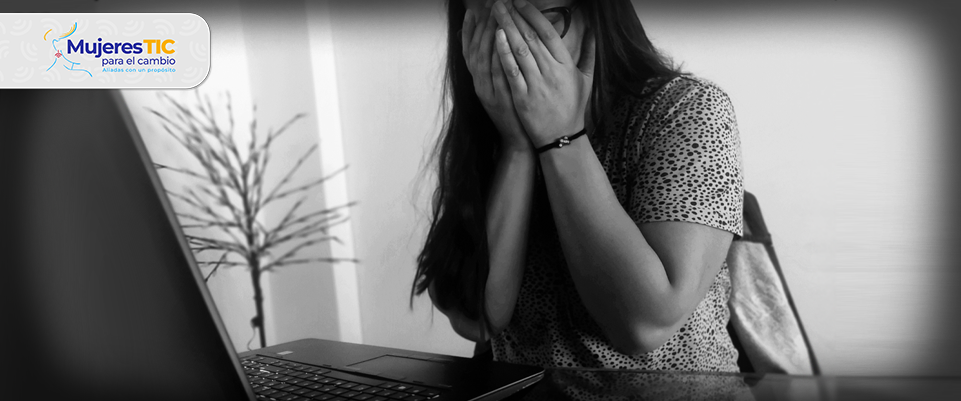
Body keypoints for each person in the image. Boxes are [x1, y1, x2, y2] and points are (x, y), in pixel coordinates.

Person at [412, 0, 744, 372]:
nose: (511, 41)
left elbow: (643, 326)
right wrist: (518, 149)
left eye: (541, 17)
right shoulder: (493, 121)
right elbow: (478, 320)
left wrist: (561, 137)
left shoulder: (686, 110)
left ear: (596, 14)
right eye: (489, 20)